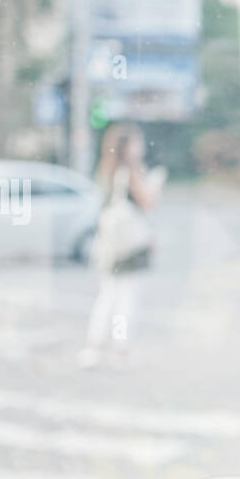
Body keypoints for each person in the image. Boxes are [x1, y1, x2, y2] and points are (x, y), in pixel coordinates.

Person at [78, 122, 164, 369]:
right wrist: (156, 185)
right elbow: (148, 203)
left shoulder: (107, 170)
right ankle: (120, 350)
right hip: (129, 246)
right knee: (127, 297)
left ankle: (93, 347)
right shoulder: (132, 171)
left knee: (107, 295)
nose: (141, 147)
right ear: (128, 147)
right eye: (136, 142)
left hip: (109, 244)